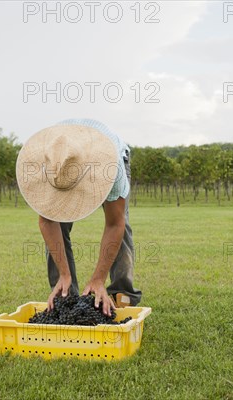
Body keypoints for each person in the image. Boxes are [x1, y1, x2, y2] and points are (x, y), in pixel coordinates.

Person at [16, 119, 142, 317]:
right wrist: (64, 273)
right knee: (56, 219)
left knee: (122, 225)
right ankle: (66, 294)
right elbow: (47, 222)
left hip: (109, 157)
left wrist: (98, 278)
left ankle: (122, 294)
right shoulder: (48, 164)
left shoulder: (112, 166)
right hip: (63, 164)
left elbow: (114, 224)